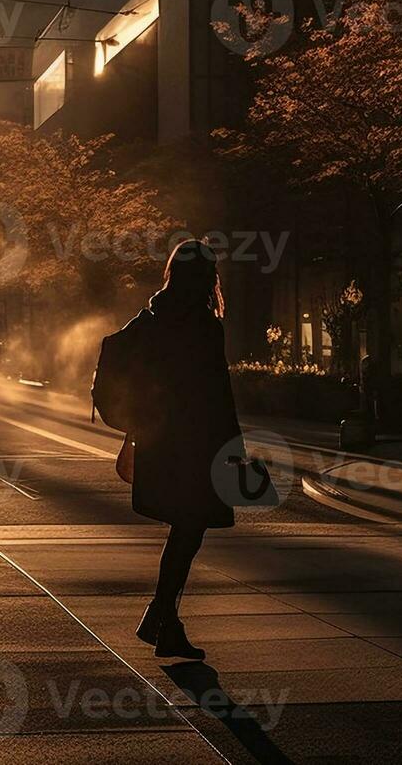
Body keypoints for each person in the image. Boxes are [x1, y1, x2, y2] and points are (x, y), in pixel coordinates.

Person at [124, 239, 240, 660]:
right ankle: (162, 618)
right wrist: (233, 449)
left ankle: (163, 619)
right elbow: (217, 393)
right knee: (189, 530)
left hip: (159, 444)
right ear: (208, 277)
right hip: (196, 446)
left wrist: (134, 434)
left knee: (185, 530)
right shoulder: (204, 325)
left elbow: (139, 384)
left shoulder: (152, 317)